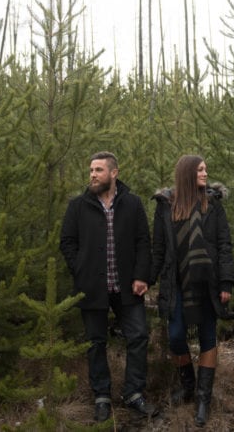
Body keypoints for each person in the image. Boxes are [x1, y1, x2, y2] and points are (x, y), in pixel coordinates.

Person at [60, 151, 159, 423]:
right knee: (96, 342)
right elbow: (67, 242)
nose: (93, 175)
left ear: (114, 173)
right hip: (92, 286)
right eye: (91, 170)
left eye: (99, 170)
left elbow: (143, 242)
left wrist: (142, 277)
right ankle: (101, 395)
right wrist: (80, 268)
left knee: (138, 336)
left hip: (128, 286)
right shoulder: (78, 206)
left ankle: (134, 393)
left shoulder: (132, 203)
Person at [150, 154, 234, 427]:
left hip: (207, 281)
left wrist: (225, 283)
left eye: (206, 170)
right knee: (176, 337)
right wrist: (145, 280)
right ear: (188, 173)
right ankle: (188, 385)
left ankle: (203, 398)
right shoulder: (166, 206)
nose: (205, 174)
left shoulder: (213, 204)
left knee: (208, 336)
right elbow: (159, 249)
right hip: (177, 282)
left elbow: (224, 245)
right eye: (200, 170)